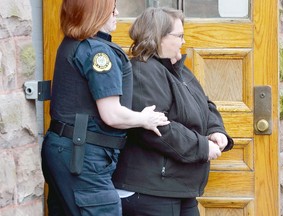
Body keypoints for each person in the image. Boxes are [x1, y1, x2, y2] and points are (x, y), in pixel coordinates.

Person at [41, 1, 170, 216]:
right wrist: (145, 119)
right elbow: (111, 114)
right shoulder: (97, 52)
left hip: (68, 151)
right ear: (97, 12)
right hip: (83, 158)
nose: (116, 13)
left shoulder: (73, 44)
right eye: (112, 9)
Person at [112, 7, 234, 216]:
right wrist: (202, 147)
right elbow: (158, 128)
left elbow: (206, 105)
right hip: (151, 191)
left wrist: (216, 131)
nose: (183, 41)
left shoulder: (178, 70)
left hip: (178, 188)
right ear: (158, 37)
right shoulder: (142, 71)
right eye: (179, 36)